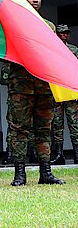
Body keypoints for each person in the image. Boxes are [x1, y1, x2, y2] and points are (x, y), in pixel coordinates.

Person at [1, 0, 65, 186]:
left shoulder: (49, 26)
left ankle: (46, 172)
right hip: (21, 86)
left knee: (44, 129)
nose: (35, 1)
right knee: (19, 129)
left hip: (44, 86)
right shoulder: (12, 24)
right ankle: (20, 173)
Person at [52, 24, 78, 165]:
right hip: (57, 90)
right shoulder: (51, 49)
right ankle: (59, 154)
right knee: (57, 124)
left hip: (70, 90)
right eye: (61, 33)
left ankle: (77, 154)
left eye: (66, 33)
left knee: (74, 123)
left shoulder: (74, 50)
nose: (64, 35)